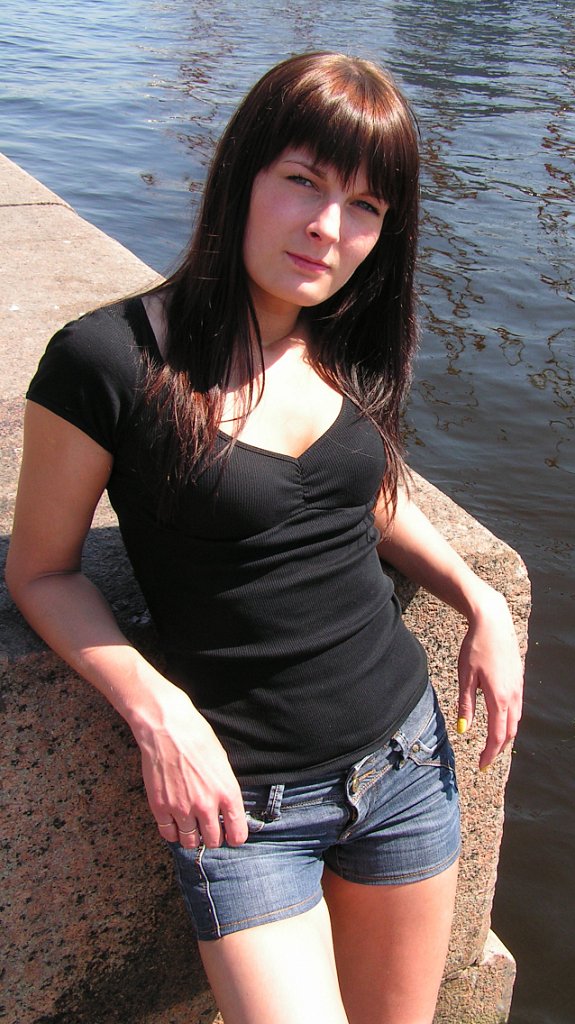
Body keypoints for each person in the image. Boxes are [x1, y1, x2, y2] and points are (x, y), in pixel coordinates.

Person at [5, 52, 524, 1024]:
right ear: (241, 174)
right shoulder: (107, 362)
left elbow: (362, 497)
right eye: (303, 182)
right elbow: (40, 572)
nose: (329, 227)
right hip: (246, 809)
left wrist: (479, 595)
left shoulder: (341, 336)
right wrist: (158, 711)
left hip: (407, 761)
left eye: (365, 205)